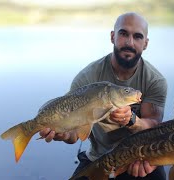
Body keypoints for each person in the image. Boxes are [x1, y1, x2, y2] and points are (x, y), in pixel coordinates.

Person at [39, 12, 167, 179]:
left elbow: (154, 126)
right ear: (112, 36)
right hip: (98, 157)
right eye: (123, 34)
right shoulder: (87, 78)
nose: (129, 42)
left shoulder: (154, 80)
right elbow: (75, 134)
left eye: (137, 36)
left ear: (146, 44)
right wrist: (62, 134)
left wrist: (132, 120)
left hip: (138, 158)